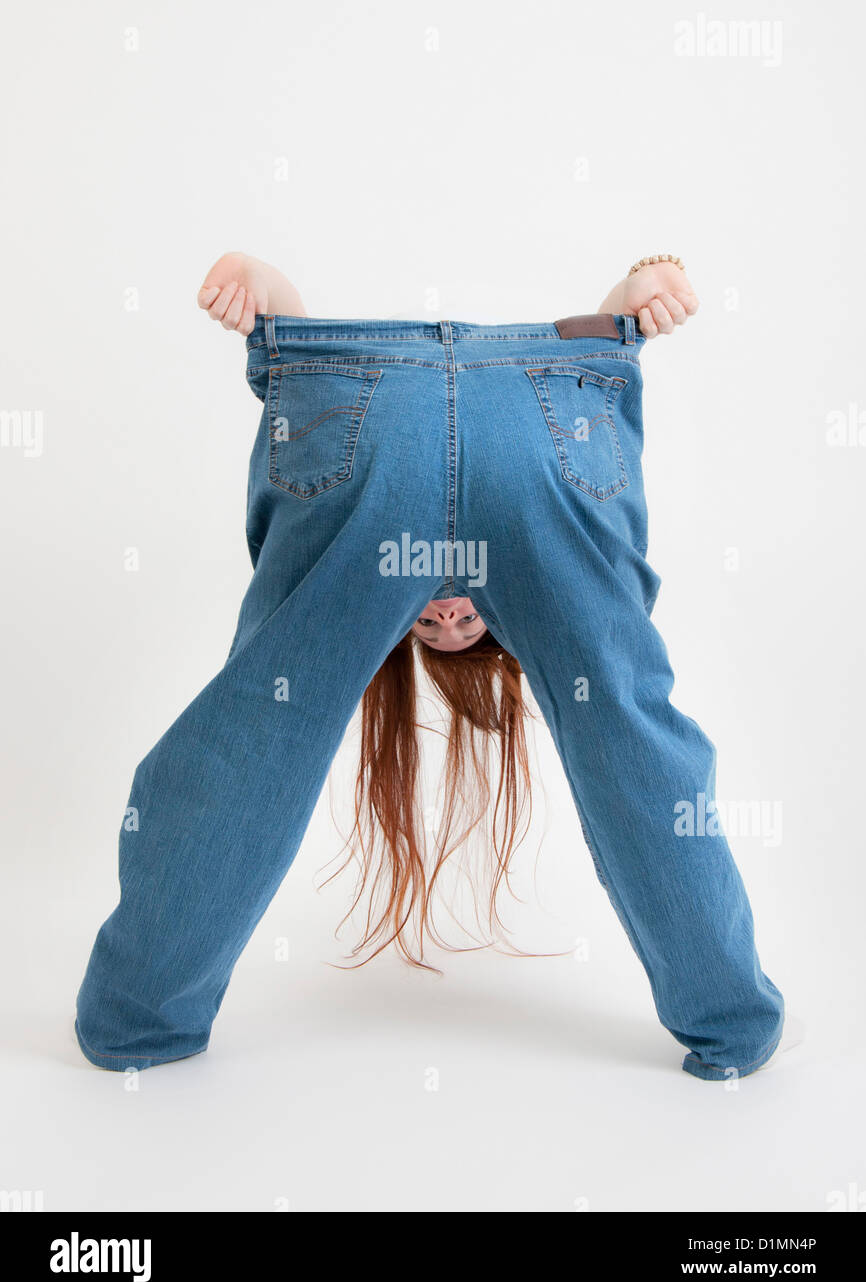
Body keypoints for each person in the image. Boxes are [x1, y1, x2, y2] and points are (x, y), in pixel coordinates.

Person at [73, 251, 786, 1081]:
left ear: (393, 636)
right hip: (538, 412)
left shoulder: (381, 586)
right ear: (506, 624)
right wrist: (629, 300)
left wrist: (267, 294)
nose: (448, 615)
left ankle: (138, 1020)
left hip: (371, 411)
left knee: (254, 734)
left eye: (433, 628)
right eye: (464, 627)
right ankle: (732, 1020)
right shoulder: (518, 567)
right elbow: (582, 364)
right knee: (626, 726)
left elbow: (306, 361)